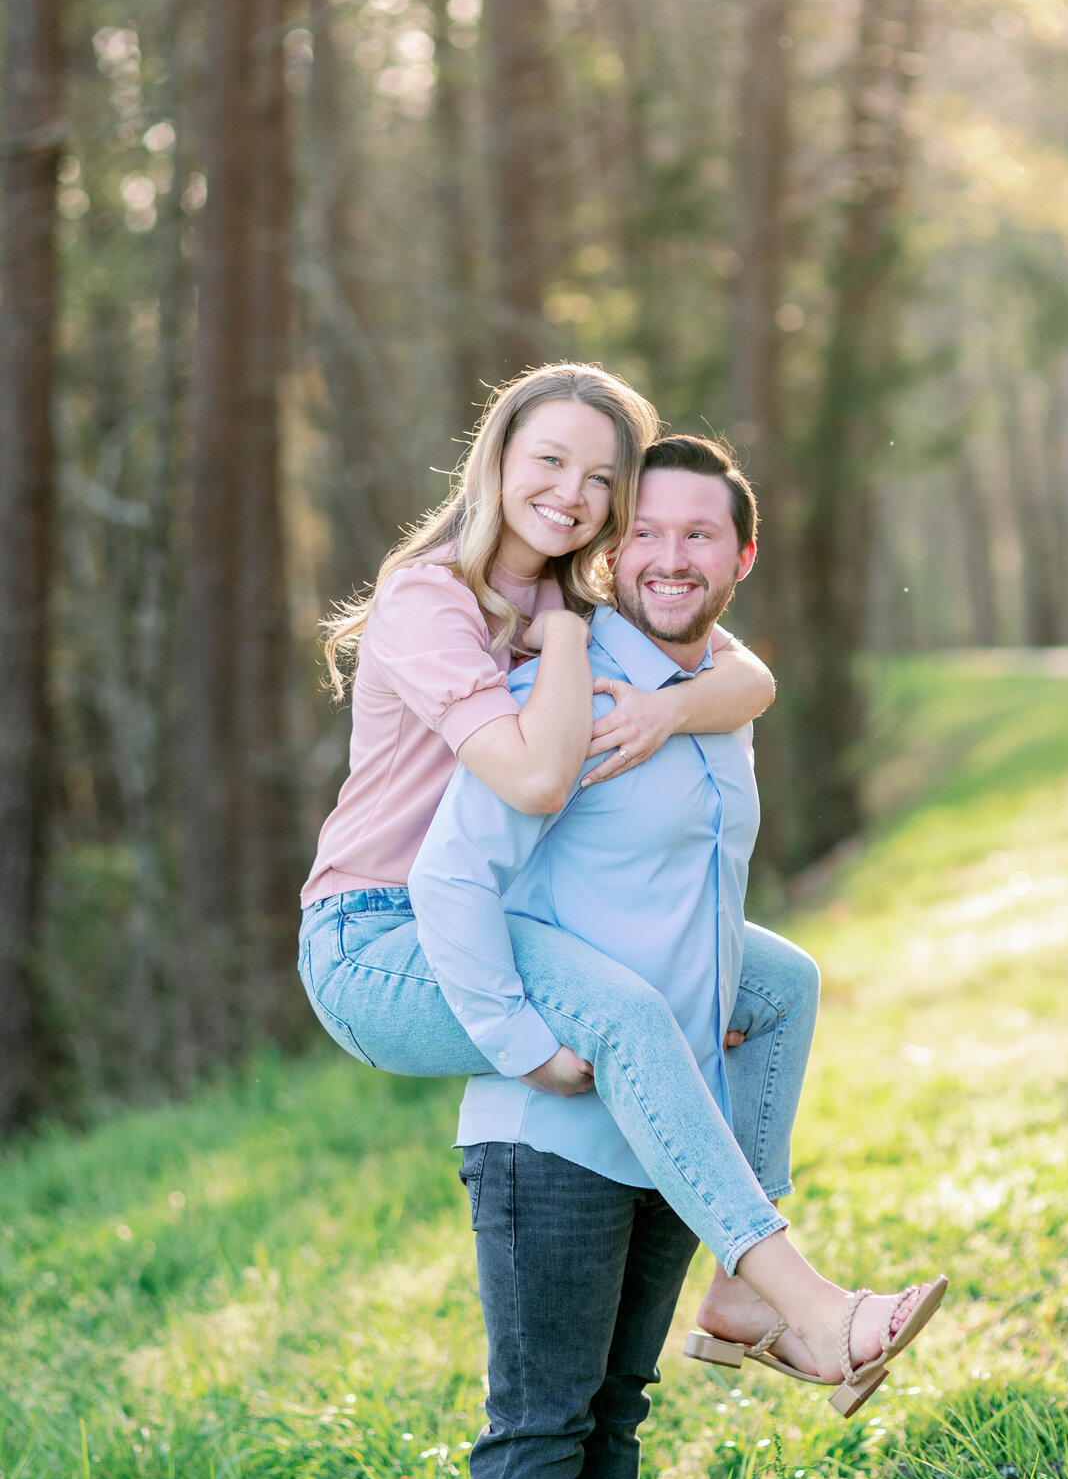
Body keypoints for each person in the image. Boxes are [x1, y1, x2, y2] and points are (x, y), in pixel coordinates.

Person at [408, 436, 947, 1479]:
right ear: (608, 549)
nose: (667, 556)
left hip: (670, 1120)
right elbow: (447, 877)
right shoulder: (565, 691)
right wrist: (520, 1042)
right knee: (539, 1424)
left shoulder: (711, 694)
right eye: (644, 533)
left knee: (616, 1413)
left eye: (698, 536)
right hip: (552, 1126)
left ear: (738, 557)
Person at [299, 363, 826, 1328]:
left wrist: (669, 714)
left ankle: (738, 1290)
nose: (571, 496)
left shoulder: (570, 592)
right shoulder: (434, 600)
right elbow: (537, 781)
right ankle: (793, 1294)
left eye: (600, 480)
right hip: (375, 938)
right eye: (549, 461)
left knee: (780, 987)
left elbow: (750, 679)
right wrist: (568, 643)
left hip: (476, 910)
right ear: (494, 460)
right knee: (624, 1012)